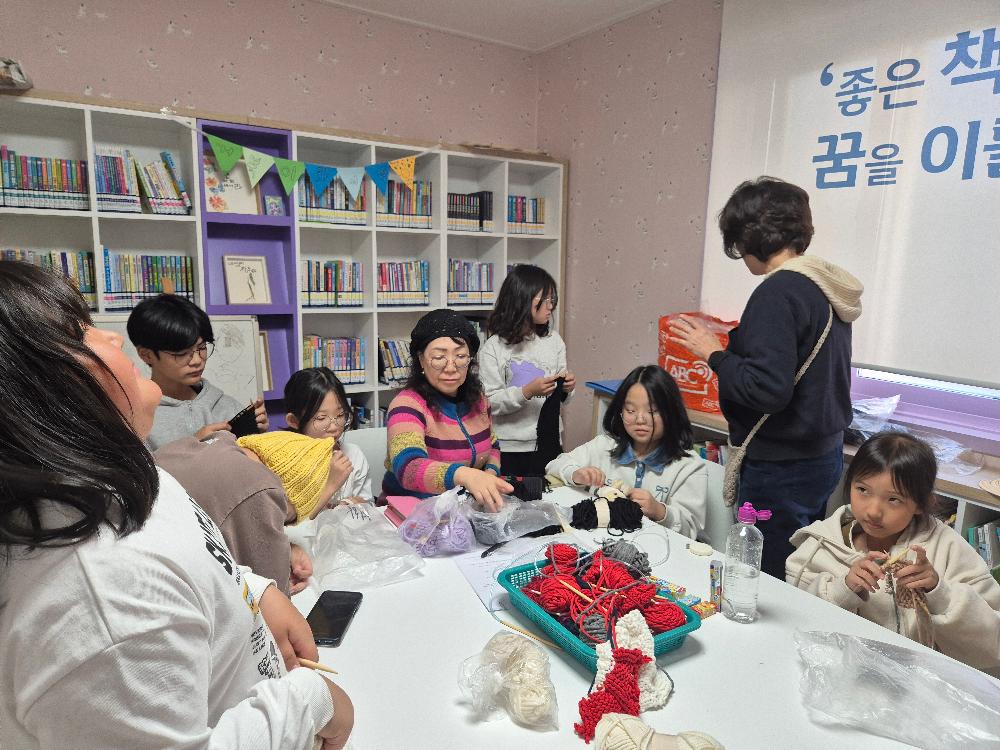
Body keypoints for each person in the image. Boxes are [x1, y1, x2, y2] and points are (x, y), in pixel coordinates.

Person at [0, 261, 352, 748]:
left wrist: (253, 592)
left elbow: (199, 556)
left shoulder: (123, 474)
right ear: (33, 391)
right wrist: (315, 700)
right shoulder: (103, 600)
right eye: (80, 332)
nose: (113, 338)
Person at [668, 177, 863, 577]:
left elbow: (768, 390)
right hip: (821, 457)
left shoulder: (778, 292)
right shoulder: (822, 287)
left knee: (760, 573)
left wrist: (713, 353)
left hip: (781, 467)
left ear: (749, 237)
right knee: (799, 567)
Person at [786, 432, 1000, 672]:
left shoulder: (947, 548)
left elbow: (993, 646)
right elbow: (795, 619)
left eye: (894, 499)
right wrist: (843, 588)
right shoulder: (823, 543)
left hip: (920, 682)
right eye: (863, 490)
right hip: (837, 674)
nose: (873, 511)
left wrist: (939, 592)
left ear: (921, 503)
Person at [546, 365, 708, 540]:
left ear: (671, 413)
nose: (640, 419)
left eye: (652, 411)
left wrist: (660, 511)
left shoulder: (690, 466)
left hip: (654, 546)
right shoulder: (605, 446)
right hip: (604, 542)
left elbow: (691, 528)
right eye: (631, 410)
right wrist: (576, 474)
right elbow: (554, 465)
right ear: (621, 412)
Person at [382, 308, 512, 511]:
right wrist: (465, 476)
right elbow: (409, 468)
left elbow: (493, 445)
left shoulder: (479, 401)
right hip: (410, 513)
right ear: (421, 360)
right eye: (439, 357)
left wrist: (489, 475)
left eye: (460, 356)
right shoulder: (407, 405)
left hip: (462, 511)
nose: (451, 367)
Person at [127, 293, 268, 450]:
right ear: (146, 355)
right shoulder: (133, 417)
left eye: (201, 348)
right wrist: (191, 447)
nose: (196, 360)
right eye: (181, 353)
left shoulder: (228, 407)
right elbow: (136, 466)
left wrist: (258, 439)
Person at [480, 264, 575, 476]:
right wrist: (526, 392)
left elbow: (563, 399)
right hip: (509, 447)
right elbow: (489, 403)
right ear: (522, 300)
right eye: (545, 299)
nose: (551, 306)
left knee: (550, 494)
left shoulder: (554, 341)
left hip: (549, 441)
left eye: (552, 299)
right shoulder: (494, 347)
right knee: (512, 496)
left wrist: (567, 388)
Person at [284, 367, 372, 505]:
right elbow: (287, 517)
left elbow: (368, 505)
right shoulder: (286, 463)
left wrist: (353, 503)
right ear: (294, 421)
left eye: (340, 415)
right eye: (321, 418)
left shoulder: (354, 455)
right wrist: (330, 485)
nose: (334, 427)